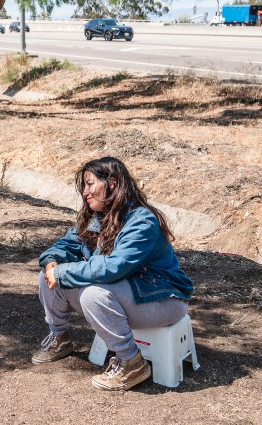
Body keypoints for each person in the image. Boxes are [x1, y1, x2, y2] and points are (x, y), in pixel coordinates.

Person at [32, 156, 194, 391]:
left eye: (90, 184)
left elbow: (114, 267)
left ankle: (131, 362)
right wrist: (51, 264)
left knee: (93, 294)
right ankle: (60, 338)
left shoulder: (142, 222)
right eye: (84, 186)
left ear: (113, 184)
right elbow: (65, 245)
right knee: (50, 279)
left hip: (162, 298)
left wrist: (64, 272)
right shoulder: (97, 217)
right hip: (128, 294)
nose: (85, 192)